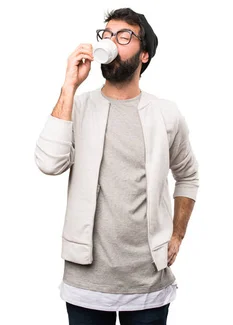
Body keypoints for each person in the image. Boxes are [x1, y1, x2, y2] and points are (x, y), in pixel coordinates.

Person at [34, 8, 198, 325]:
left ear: (145, 54)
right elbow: (48, 163)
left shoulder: (166, 114)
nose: (111, 41)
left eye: (124, 36)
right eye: (106, 35)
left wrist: (177, 234)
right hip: (86, 285)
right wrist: (69, 85)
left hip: (148, 284)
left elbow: (188, 177)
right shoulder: (76, 106)